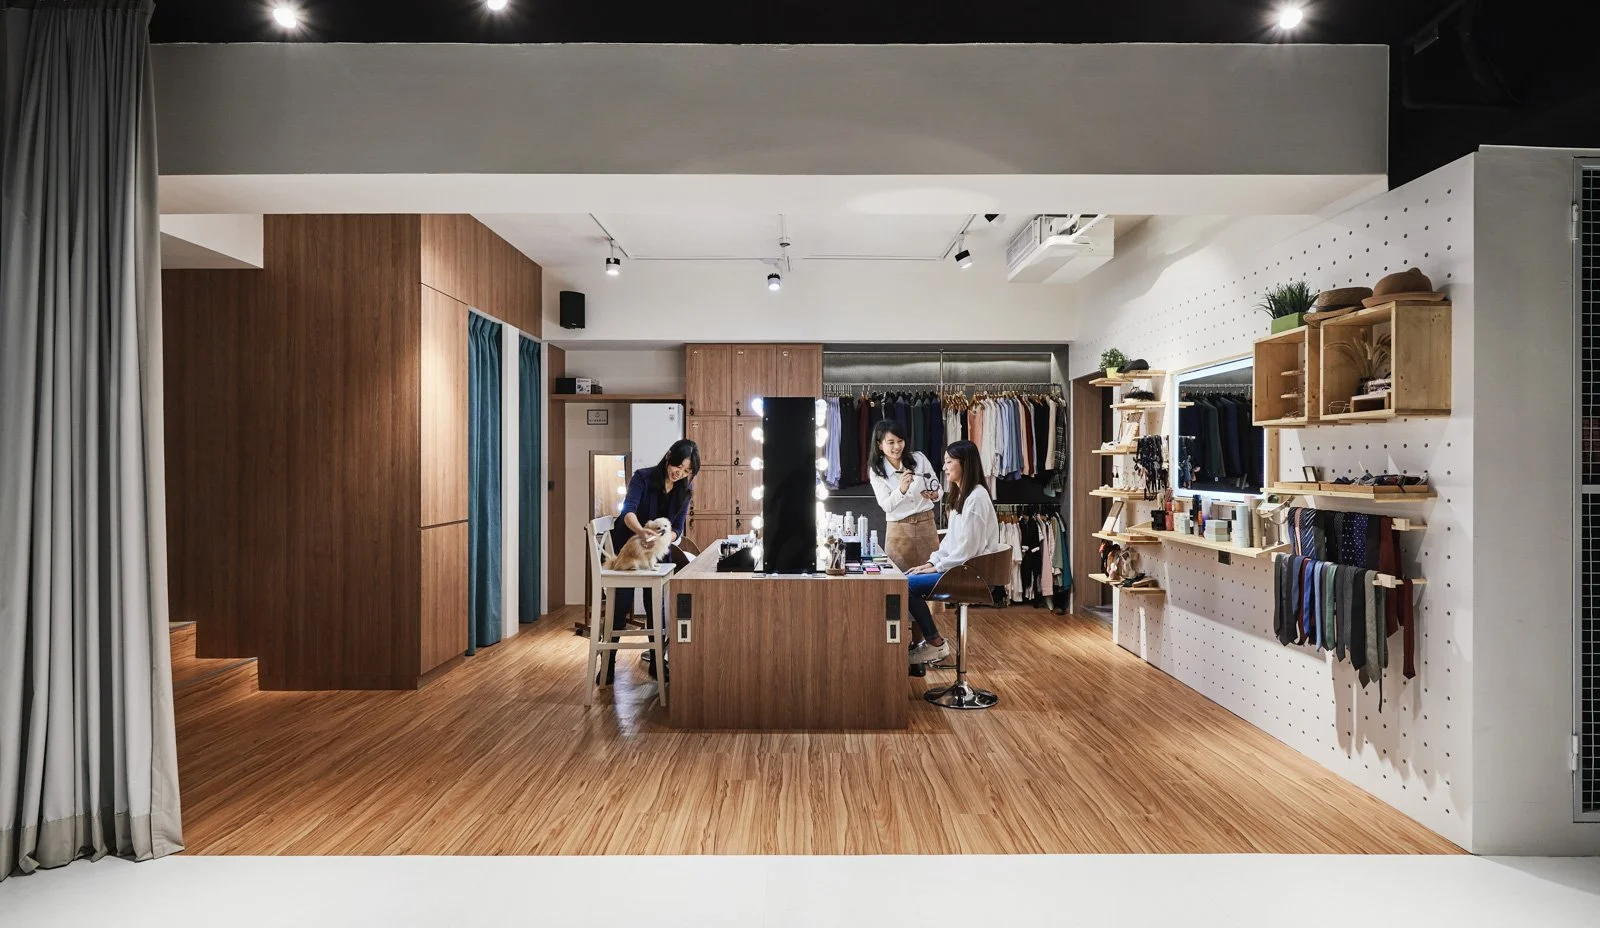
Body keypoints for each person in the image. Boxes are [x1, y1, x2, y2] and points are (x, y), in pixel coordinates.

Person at [605, 439, 699, 682]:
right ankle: (607, 663)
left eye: (687, 471)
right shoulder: (643, 477)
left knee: (656, 606)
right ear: (668, 456)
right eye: (679, 466)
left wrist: (663, 538)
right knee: (620, 606)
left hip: (657, 554)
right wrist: (641, 532)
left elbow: (677, 529)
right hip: (629, 548)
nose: (680, 473)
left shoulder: (685, 491)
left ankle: (657, 662)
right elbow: (628, 511)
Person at [904, 440, 1003, 665]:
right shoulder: (962, 495)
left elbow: (968, 550)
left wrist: (937, 567)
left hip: (970, 573)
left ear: (964, 463)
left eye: (949, 462)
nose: (944, 467)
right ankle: (933, 642)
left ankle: (935, 643)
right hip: (961, 569)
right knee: (907, 577)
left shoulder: (976, 498)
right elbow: (951, 541)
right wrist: (931, 564)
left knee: (906, 585)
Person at [867, 419, 943, 573]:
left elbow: (937, 488)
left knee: (932, 578)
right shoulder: (877, 471)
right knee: (898, 579)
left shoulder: (919, 459)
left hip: (926, 525)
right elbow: (886, 505)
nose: (897, 446)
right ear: (879, 445)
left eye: (900, 441)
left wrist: (934, 494)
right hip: (898, 530)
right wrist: (901, 490)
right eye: (891, 442)